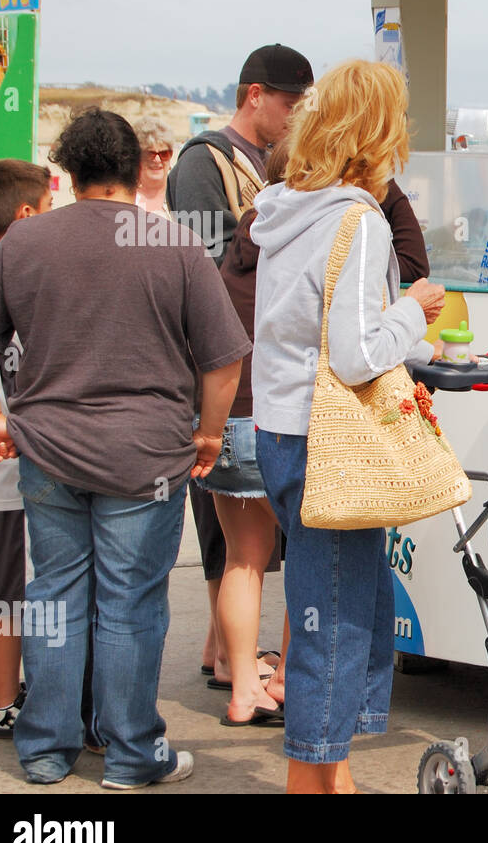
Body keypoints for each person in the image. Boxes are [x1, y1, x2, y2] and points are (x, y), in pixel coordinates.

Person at [0, 108, 249, 787]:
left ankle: (43, 751)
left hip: (47, 450)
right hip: (145, 457)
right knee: (130, 603)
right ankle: (129, 756)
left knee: (54, 594)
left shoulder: (21, 244)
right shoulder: (175, 245)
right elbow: (224, 358)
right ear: (130, 168)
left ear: (66, 171)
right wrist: (208, 433)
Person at [250, 59, 446, 794]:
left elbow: (298, 331)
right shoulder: (358, 221)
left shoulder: (282, 210)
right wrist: (415, 307)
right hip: (333, 437)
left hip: (281, 427)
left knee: (334, 610)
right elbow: (359, 353)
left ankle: (336, 780)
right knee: (336, 626)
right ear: (379, 133)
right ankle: (313, 781)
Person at [167, 43, 313, 693]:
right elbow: (207, 269)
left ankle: (221, 651)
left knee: (245, 534)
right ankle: (232, 657)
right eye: (289, 103)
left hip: (261, 367)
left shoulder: (264, 161)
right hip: (225, 369)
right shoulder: (205, 161)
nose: (295, 115)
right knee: (231, 525)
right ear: (254, 94)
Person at [197, 142, 294, 726]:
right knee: (307, 554)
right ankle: (284, 681)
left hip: (227, 416)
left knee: (243, 560)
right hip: (280, 419)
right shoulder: (311, 237)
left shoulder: (241, 246)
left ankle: (241, 692)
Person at [0, 160, 51, 739]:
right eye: (48, 210)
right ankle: (5, 697)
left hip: (3, 467)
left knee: (9, 589)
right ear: (25, 215)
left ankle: (6, 696)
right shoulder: (24, 280)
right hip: (18, 466)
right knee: (20, 587)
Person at [132, 116, 173, 217]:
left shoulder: (180, 195)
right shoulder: (126, 198)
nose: (157, 160)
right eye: (150, 154)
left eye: (164, 154)